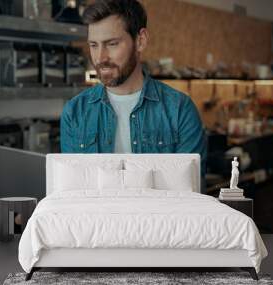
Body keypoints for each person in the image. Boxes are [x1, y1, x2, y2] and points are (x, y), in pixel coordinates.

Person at [60, 0, 207, 192]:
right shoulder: (75, 112)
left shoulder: (180, 110)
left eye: (112, 44)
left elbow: (191, 196)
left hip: (161, 222)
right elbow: (73, 196)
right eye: (94, 45)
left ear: (140, 40)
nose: (100, 57)